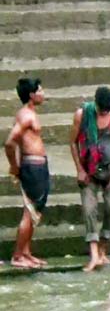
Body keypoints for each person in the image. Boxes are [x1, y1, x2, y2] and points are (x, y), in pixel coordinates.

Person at [70, 86, 110, 272]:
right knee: (89, 210)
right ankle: (94, 255)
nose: (103, 113)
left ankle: (103, 251)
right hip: (88, 170)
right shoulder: (82, 115)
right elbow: (72, 142)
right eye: (101, 109)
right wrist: (79, 169)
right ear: (95, 104)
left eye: (107, 110)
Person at [4, 78, 48, 269]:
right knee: (29, 213)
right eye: (40, 90)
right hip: (33, 167)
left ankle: (26, 253)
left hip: (36, 166)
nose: (43, 93)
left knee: (34, 212)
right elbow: (9, 142)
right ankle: (17, 256)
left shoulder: (30, 114)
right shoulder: (25, 116)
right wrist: (14, 166)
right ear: (31, 95)